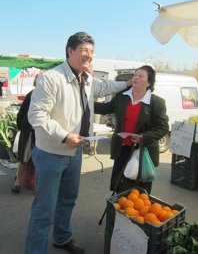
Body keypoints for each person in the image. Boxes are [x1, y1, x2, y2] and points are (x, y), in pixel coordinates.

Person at [25, 32, 131, 254]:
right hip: (51, 153)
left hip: (75, 153)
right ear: (70, 51)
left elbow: (105, 88)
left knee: (68, 200)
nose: (89, 56)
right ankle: (35, 250)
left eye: (92, 52)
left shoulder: (88, 78)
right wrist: (65, 136)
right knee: (44, 209)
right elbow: (36, 116)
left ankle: (62, 238)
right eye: (84, 51)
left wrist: (129, 83)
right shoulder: (51, 78)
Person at [94, 65, 169, 194]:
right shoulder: (121, 97)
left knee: (140, 192)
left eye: (141, 76)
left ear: (149, 82)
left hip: (143, 151)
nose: (136, 78)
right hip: (123, 149)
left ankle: (135, 213)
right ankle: (116, 213)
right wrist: (84, 102)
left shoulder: (156, 102)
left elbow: (163, 127)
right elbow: (106, 108)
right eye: (135, 75)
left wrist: (143, 137)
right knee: (120, 186)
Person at [11, 76, 39, 193]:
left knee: (24, 157)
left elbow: (21, 113)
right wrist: (21, 127)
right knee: (30, 157)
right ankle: (19, 182)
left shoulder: (32, 94)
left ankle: (18, 182)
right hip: (32, 130)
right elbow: (22, 112)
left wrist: (20, 127)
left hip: (31, 129)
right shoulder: (35, 94)